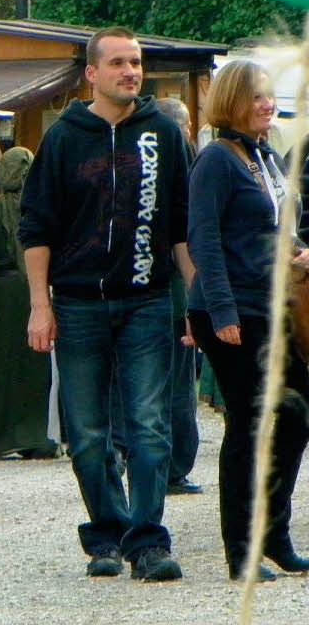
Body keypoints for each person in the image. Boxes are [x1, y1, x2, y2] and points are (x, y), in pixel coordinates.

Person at [19, 26, 192, 581]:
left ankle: (148, 542)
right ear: (91, 73)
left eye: (136, 62)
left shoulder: (163, 134)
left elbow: (182, 226)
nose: (130, 72)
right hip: (77, 303)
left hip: (146, 299)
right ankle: (108, 531)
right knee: (88, 436)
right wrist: (39, 306)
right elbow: (36, 226)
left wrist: (198, 300)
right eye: (118, 62)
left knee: (148, 426)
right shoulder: (64, 138)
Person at [186, 60, 309, 582]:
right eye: (257, 97)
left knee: (296, 417)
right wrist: (222, 312)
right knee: (250, 426)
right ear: (233, 101)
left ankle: (274, 536)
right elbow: (204, 240)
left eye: (268, 97)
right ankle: (242, 549)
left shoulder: (262, 158)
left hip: (271, 304)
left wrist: (300, 250)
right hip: (231, 308)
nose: (266, 104)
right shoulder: (217, 159)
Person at [0, 147, 61, 459]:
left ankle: (6, 437)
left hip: (5, 296)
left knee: (5, 366)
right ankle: (42, 436)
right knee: (39, 366)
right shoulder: (45, 205)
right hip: (40, 292)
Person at [157, 97, 202, 496]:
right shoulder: (190, 169)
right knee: (177, 383)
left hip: (149, 293)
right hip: (176, 293)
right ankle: (175, 466)